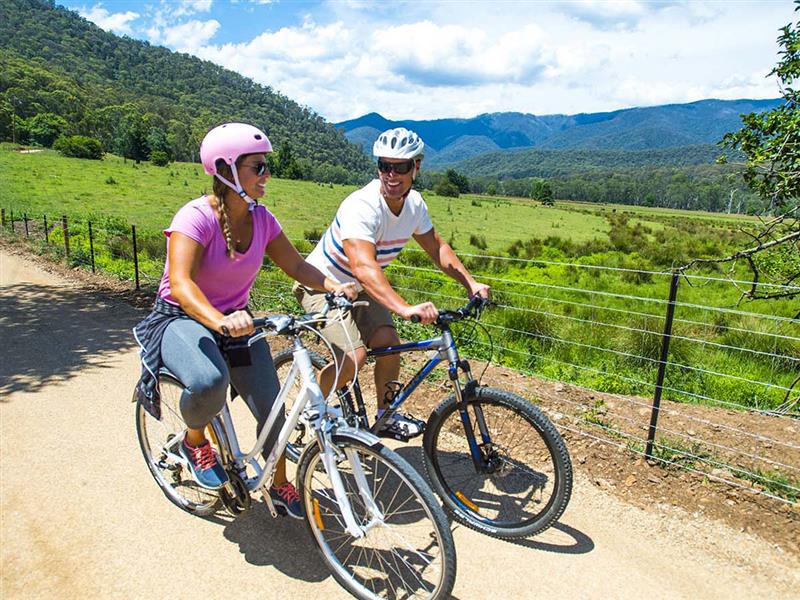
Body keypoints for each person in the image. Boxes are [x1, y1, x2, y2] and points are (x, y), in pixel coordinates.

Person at [133, 122, 356, 518]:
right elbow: (181, 285)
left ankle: (279, 483)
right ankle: (194, 441)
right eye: (258, 167)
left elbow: (297, 267)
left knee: (273, 409)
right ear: (227, 169)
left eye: (267, 166)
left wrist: (334, 286)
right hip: (180, 318)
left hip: (236, 322)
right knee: (209, 382)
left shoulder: (263, 220)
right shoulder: (194, 217)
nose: (267, 174)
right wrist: (218, 320)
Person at [295, 127, 490, 438]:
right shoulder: (362, 205)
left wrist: (471, 283)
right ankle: (308, 407)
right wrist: (404, 308)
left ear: (416, 167)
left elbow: (437, 248)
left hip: (360, 289)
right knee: (354, 357)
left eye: (400, 167)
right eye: (384, 165)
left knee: (389, 345)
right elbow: (363, 267)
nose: (391, 174)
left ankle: (385, 417)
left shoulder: (415, 206)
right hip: (321, 284)